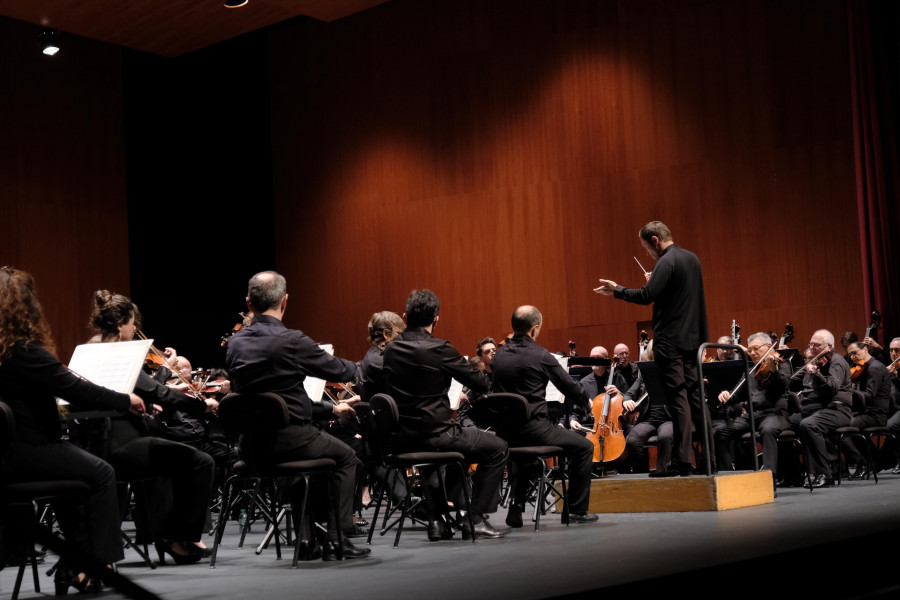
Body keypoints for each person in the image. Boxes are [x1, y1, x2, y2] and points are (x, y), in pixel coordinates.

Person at [0, 267, 145, 593]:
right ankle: (99, 566)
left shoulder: (6, 353)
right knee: (102, 472)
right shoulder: (24, 351)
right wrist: (127, 399)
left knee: (77, 476)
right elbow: (82, 393)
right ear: (23, 306)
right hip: (28, 451)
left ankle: (75, 564)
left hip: (8, 453)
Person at [224, 271, 370, 559]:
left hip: (251, 448)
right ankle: (337, 536)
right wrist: (361, 368)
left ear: (249, 302)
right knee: (347, 457)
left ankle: (307, 538)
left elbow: (274, 401)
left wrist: (329, 408)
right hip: (290, 440)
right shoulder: (290, 340)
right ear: (285, 301)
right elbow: (341, 371)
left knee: (308, 462)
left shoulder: (235, 344)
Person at [88, 290, 216, 563]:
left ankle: (170, 535)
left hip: (94, 446)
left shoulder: (90, 349)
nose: (136, 330)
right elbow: (161, 393)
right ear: (121, 322)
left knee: (179, 460)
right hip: (122, 446)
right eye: (133, 323)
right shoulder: (120, 353)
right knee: (201, 461)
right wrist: (202, 406)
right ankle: (177, 537)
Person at [382, 289, 510, 540]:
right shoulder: (440, 349)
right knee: (498, 448)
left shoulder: (391, 349)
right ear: (436, 319)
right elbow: (482, 384)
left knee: (441, 457)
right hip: (436, 435)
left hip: (401, 439)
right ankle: (475, 519)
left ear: (405, 317)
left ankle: (437, 522)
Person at [594, 220, 714, 476]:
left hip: (671, 341)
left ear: (655, 240)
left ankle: (681, 462)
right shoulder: (692, 259)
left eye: (647, 249)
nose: (648, 254)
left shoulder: (665, 261)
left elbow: (646, 296)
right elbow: (675, 295)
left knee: (678, 399)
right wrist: (655, 282)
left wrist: (617, 290)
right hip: (694, 339)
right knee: (695, 397)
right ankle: (710, 460)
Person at [490, 305, 599, 526]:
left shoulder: (499, 355)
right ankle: (577, 511)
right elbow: (568, 385)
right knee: (584, 447)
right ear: (534, 329)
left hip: (504, 433)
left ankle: (517, 506)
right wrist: (585, 402)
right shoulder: (540, 355)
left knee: (526, 457)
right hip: (534, 430)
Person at [714, 332, 791, 473]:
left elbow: (783, 386)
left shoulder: (783, 365)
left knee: (768, 430)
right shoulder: (749, 371)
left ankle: (769, 479)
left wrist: (774, 370)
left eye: (756, 348)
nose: (752, 353)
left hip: (774, 414)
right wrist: (727, 395)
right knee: (719, 433)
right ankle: (727, 476)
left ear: (768, 346)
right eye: (750, 350)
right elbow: (735, 395)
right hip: (752, 416)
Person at [795, 329, 853, 488]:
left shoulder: (836, 361)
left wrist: (818, 375)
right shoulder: (814, 361)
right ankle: (792, 474)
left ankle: (825, 475)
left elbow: (833, 388)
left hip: (838, 409)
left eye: (816, 345)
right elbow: (792, 381)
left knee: (809, 424)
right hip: (819, 409)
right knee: (786, 423)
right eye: (810, 344)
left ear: (829, 346)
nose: (812, 348)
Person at [842, 341, 891, 479]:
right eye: (850, 355)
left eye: (854, 353)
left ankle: (864, 463)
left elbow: (869, 396)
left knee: (846, 427)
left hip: (876, 414)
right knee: (844, 423)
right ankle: (874, 461)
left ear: (865, 349)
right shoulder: (863, 367)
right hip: (865, 412)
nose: (852, 357)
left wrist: (848, 390)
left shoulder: (875, 368)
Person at [458, 337, 497, 428]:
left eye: (494, 349)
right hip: (485, 431)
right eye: (487, 351)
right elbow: (463, 413)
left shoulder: (506, 376)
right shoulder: (476, 380)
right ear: (481, 358)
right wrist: (475, 431)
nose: (493, 352)